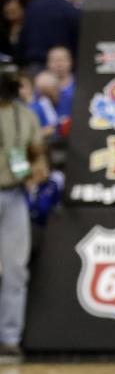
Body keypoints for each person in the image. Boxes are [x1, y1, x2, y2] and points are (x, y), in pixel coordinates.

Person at [0, 62, 45, 356]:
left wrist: (37, 169)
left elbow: (37, 153)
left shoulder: (25, 115)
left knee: (15, 270)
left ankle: (9, 338)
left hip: (14, 193)